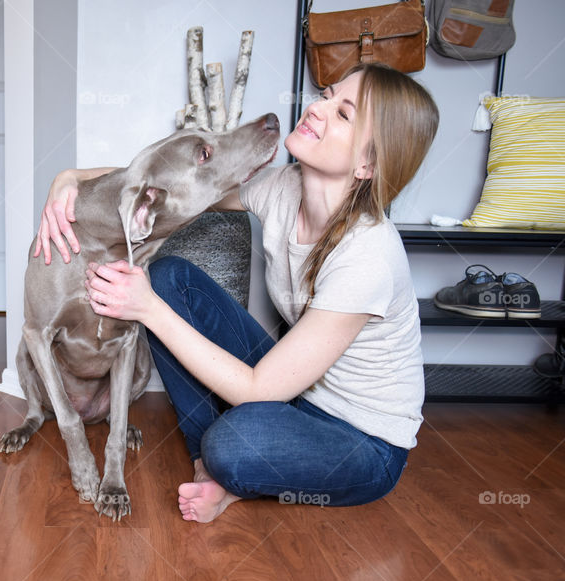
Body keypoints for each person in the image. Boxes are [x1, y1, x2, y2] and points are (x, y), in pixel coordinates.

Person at [33, 63, 439, 523]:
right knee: (168, 278)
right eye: (326, 94)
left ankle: (225, 469)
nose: (318, 109)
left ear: (368, 163)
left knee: (233, 443)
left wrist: (147, 310)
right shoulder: (284, 188)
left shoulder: (368, 257)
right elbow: (176, 186)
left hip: (361, 442)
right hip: (299, 390)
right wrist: (69, 178)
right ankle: (211, 467)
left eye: (343, 113)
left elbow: (256, 389)